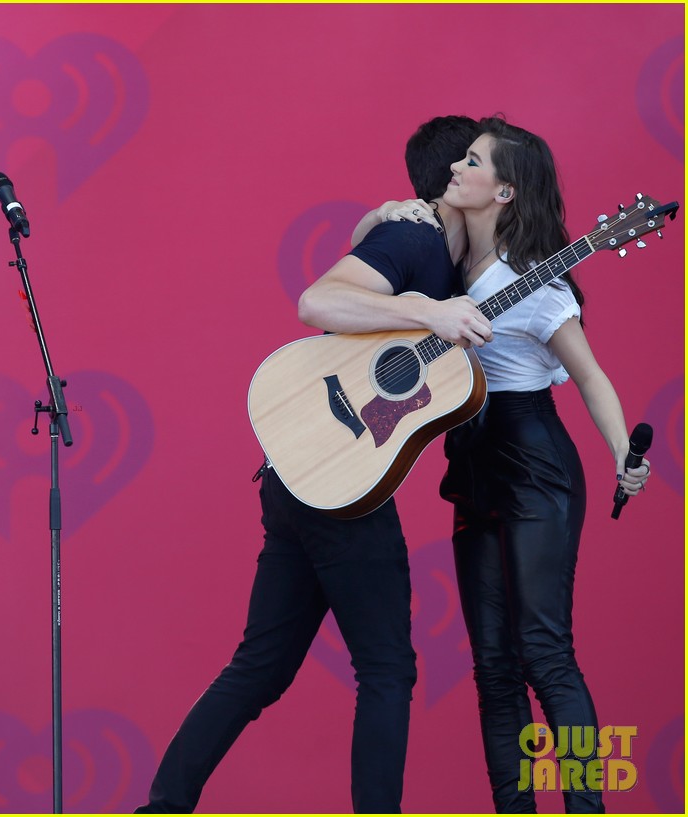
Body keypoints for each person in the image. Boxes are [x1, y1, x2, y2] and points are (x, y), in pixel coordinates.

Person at [134, 115, 488, 814]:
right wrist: (422, 304)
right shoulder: (414, 236)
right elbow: (316, 299)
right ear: (455, 179)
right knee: (387, 669)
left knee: (260, 668)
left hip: (308, 478)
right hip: (331, 485)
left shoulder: (438, 249)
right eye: (480, 161)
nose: (492, 173)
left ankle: (161, 806)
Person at [434, 116, 651, 813]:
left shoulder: (536, 283)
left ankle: (586, 807)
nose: (456, 169)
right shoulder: (445, 259)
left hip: (535, 465)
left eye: (472, 162)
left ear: (504, 193)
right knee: (493, 667)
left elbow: (590, 377)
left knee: (543, 651)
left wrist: (624, 454)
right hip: (473, 462)